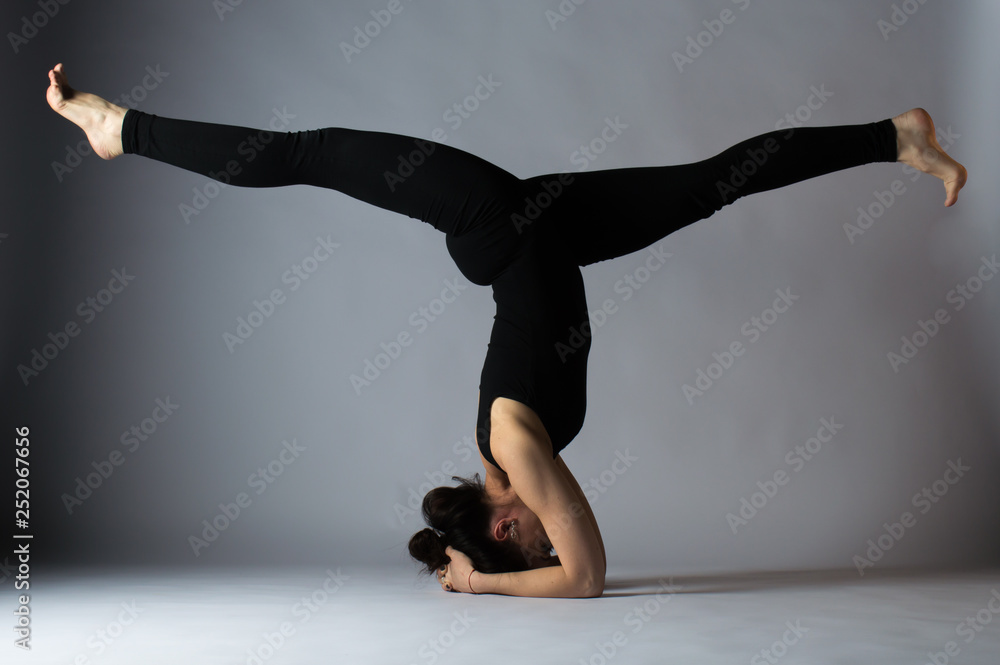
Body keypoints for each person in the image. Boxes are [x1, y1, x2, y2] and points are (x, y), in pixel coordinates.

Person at [47, 63, 967, 598]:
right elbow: (575, 560)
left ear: (504, 520)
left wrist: (485, 586)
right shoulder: (508, 447)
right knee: (708, 184)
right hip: (538, 232)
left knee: (307, 154)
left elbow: (589, 576)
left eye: (526, 544)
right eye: (533, 550)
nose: (546, 544)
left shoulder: (519, 451)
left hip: (499, 222)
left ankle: (119, 127)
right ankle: (896, 137)